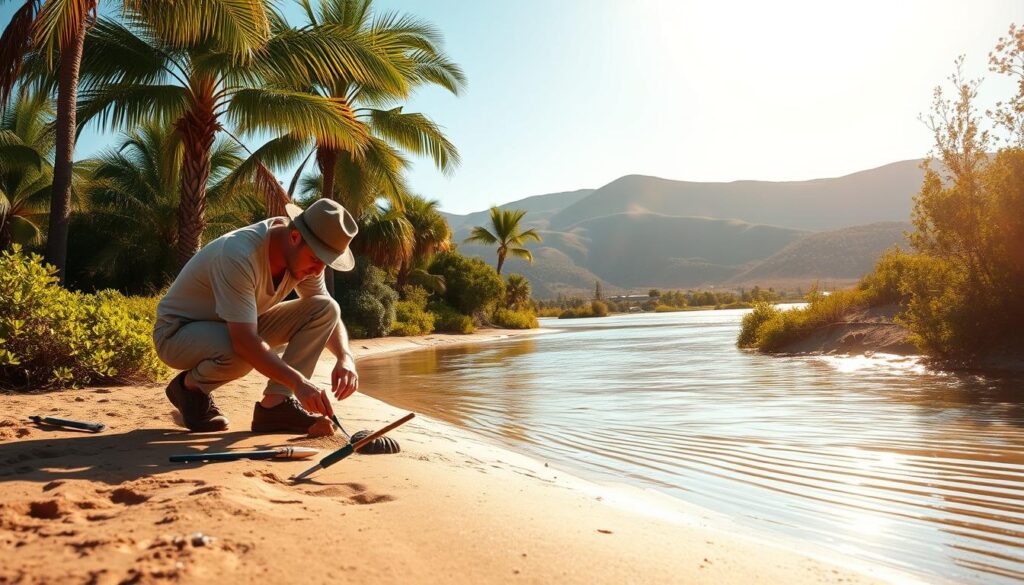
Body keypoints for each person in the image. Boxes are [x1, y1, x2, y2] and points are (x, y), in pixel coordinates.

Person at [152, 199, 360, 434]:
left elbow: (325, 314)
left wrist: (345, 357)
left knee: (326, 308)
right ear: (294, 237)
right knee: (240, 353)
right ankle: (188, 389)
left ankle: (274, 408)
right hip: (177, 333)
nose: (318, 271)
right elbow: (244, 341)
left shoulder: (305, 255)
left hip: (234, 327)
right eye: (316, 260)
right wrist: (299, 383)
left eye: (325, 263)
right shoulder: (239, 254)